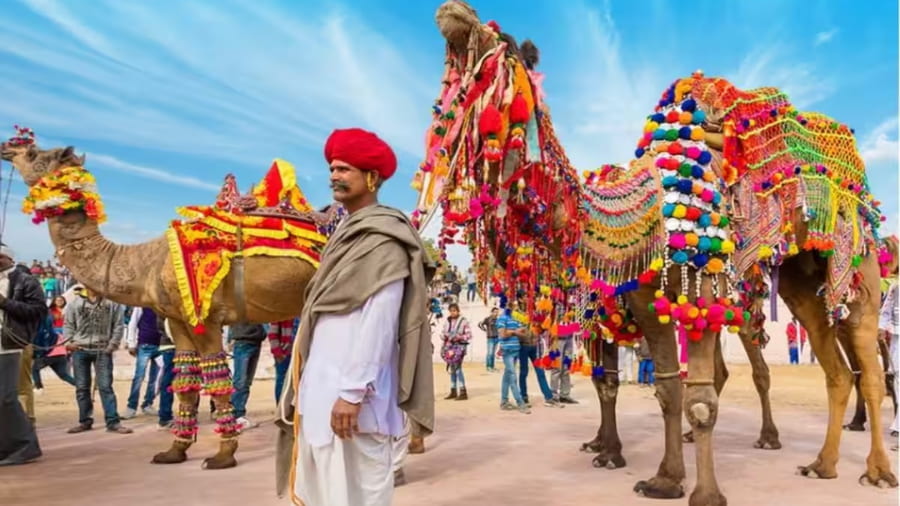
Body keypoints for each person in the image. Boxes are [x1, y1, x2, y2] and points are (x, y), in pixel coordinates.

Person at [276, 127, 435, 505]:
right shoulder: (345, 235)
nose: (334, 176)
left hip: (356, 401)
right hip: (320, 394)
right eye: (332, 168)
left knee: (359, 494)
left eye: (345, 169)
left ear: (372, 177)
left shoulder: (384, 238)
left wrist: (351, 393)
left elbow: (379, 322)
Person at [64, 288, 132, 434]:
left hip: (103, 350)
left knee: (105, 387)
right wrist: (69, 342)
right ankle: (85, 421)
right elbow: (68, 324)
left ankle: (113, 422)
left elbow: (118, 325)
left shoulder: (112, 303)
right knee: (82, 388)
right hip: (80, 350)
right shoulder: (75, 303)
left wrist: (112, 345)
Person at [0, 244, 47, 425]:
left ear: (10, 259)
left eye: (0, 257)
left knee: (19, 387)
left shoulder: (26, 280)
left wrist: (5, 303)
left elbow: (38, 311)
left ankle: (26, 426)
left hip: (16, 342)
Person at [123, 307, 163, 418]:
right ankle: (131, 407)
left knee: (156, 379)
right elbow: (133, 323)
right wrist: (131, 343)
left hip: (161, 346)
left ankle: (148, 404)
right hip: (145, 345)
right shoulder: (141, 306)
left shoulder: (163, 306)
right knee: (139, 377)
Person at [495, 299, 531, 414]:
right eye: (513, 305)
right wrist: (515, 332)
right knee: (512, 377)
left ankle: (504, 401)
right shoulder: (502, 318)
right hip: (507, 351)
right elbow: (502, 334)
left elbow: (524, 332)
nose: (515, 307)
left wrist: (511, 331)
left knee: (507, 376)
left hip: (515, 350)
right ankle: (520, 403)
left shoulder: (515, 318)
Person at [229, 322, 266, 431]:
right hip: (243, 341)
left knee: (246, 381)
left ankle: (240, 414)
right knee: (240, 381)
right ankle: (236, 415)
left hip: (256, 341)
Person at [31, 307, 76, 391]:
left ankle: (39, 387)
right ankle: (80, 385)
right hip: (61, 355)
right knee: (64, 375)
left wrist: (36, 355)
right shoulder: (58, 330)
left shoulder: (41, 331)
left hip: (49, 355)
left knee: (34, 369)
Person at [519, 324, 558, 407]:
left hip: (535, 347)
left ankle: (548, 397)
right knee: (524, 372)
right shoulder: (518, 318)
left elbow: (543, 330)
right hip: (523, 346)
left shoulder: (537, 318)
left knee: (541, 372)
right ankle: (523, 396)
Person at [440, 303, 471, 400]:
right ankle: (453, 390)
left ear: (458, 311)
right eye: (451, 311)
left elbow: (469, 335)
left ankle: (463, 391)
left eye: (454, 311)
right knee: (452, 369)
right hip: (449, 348)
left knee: (458, 369)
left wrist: (459, 337)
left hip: (459, 348)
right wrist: (444, 336)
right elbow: (443, 333)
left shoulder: (464, 321)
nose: (452, 313)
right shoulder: (447, 321)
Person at [268, 318, 298, 403]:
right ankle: (280, 407)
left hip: (299, 353)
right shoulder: (282, 314)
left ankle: (291, 408)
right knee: (282, 381)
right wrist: (277, 352)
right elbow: (272, 334)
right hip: (285, 353)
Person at [479, 307, 500, 372]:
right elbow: (480, 324)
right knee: (490, 353)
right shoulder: (487, 319)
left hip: (497, 338)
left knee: (493, 353)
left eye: (497, 312)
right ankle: (488, 366)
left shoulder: (498, 320)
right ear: (492, 312)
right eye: (495, 312)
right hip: (490, 338)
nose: (496, 313)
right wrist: (485, 330)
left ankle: (492, 366)